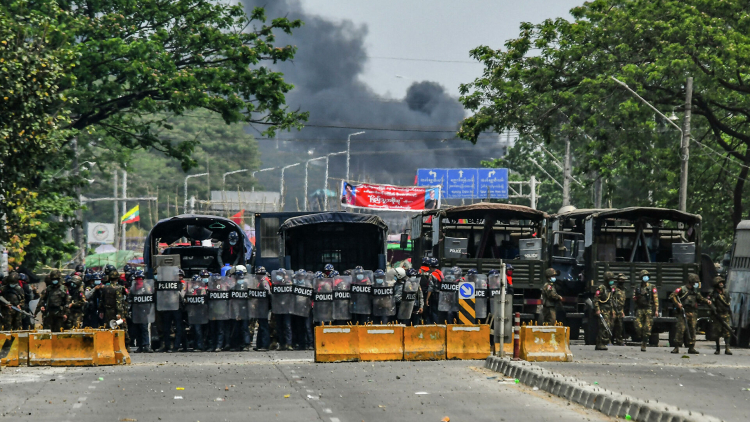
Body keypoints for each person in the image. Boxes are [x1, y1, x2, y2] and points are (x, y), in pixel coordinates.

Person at [670, 273, 710, 354]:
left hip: (693, 312)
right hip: (683, 312)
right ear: (691, 281)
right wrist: (677, 304)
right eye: (695, 282)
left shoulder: (695, 291)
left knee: (692, 330)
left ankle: (691, 347)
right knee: (680, 329)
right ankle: (677, 347)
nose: (696, 284)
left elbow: (700, 298)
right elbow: (672, 296)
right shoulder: (682, 289)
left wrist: (707, 301)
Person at [633, 270, 658, 351]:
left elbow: (655, 299)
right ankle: (641, 336)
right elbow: (634, 298)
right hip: (640, 308)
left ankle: (644, 343)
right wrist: (639, 295)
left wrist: (656, 310)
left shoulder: (651, 287)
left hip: (649, 308)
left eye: (647, 276)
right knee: (638, 326)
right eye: (644, 276)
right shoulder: (637, 287)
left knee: (647, 327)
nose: (646, 277)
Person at [709, 276, 732, 355]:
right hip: (717, 316)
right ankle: (718, 348)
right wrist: (714, 310)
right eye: (719, 283)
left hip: (725, 314)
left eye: (722, 282)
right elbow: (710, 303)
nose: (721, 284)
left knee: (727, 332)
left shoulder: (726, 292)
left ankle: (727, 348)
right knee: (717, 332)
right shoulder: (713, 294)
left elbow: (728, 303)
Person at [252, 266, 272, 351]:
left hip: (264, 306)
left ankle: (264, 345)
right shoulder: (261, 281)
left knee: (264, 325)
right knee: (261, 324)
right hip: (261, 306)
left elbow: (268, 293)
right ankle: (259, 344)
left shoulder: (264, 282)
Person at [593, 281, 613, 350]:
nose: (611, 281)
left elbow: (611, 300)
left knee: (607, 326)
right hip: (603, 310)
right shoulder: (601, 288)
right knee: (604, 326)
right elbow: (596, 299)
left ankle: (601, 343)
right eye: (610, 279)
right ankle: (600, 343)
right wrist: (597, 309)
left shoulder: (610, 289)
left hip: (608, 310)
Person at [611, 274, 627, 346]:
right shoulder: (614, 288)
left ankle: (619, 340)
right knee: (611, 325)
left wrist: (622, 311)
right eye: (621, 280)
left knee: (619, 326)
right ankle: (609, 340)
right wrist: (612, 310)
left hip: (620, 310)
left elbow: (623, 301)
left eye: (623, 280)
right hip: (613, 309)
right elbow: (610, 299)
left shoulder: (624, 289)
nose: (622, 281)